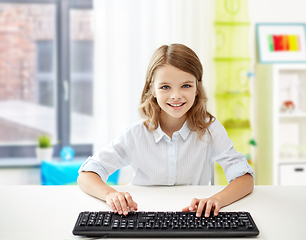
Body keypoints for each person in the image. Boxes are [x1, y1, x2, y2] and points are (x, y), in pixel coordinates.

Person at [77, 43, 254, 218]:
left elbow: (245, 179)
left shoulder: (210, 130)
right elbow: (87, 175)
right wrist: (110, 194)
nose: (176, 95)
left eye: (186, 86)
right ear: (152, 89)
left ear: (197, 88)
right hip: (142, 216)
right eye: (165, 87)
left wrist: (217, 200)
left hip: (192, 219)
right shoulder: (134, 135)